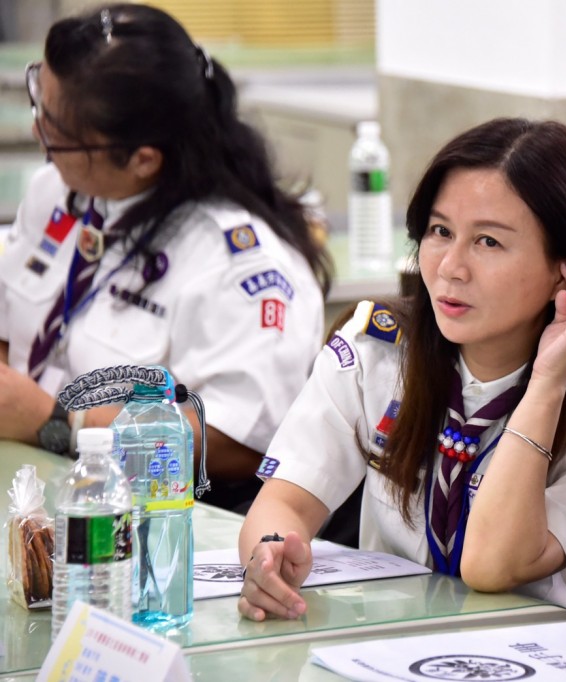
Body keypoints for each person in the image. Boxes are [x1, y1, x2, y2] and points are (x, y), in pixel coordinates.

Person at [236, 117, 566, 621]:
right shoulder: (378, 350)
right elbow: (288, 503)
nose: (451, 266)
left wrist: (548, 382)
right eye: (440, 231)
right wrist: (270, 555)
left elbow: (495, 566)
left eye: (488, 242)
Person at [0, 4, 332, 510]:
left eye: (57, 134)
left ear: (142, 159)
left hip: (150, 521)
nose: (39, 135)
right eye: (38, 104)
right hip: (30, 487)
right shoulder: (60, 190)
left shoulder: (240, 265)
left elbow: (238, 441)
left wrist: (58, 424)